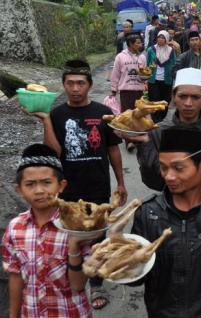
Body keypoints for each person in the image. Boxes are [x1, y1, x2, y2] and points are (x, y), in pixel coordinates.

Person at [30, 59, 127, 309]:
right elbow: (55, 152)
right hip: (68, 190)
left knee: (97, 237)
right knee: (68, 237)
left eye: (80, 83)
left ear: (89, 85)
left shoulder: (101, 113)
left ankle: (95, 285)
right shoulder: (57, 114)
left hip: (97, 187)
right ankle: (71, 281)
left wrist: (121, 182)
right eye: (70, 83)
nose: (75, 88)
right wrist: (45, 121)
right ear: (63, 85)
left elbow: (113, 149)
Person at [129, 126, 201, 318]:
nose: (169, 176)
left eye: (179, 168)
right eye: (163, 167)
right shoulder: (147, 212)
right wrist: (118, 264)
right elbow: (134, 278)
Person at [2, 144, 93, 317]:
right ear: (19, 189)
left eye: (46, 182)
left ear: (61, 185)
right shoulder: (14, 228)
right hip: (31, 312)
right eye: (30, 184)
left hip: (70, 312)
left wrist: (74, 245)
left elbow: (78, 285)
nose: (39, 191)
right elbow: (15, 276)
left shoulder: (78, 226)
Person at [134, 68, 201, 195]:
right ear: (173, 97)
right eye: (182, 96)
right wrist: (144, 144)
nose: (188, 103)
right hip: (168, 208)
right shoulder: (157, 132)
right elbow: (153, 182)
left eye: (195, 97)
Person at [111, 34, 147, 152]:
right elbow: (115, 74)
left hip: (139, 90)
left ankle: (138, 139)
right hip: (125, 90)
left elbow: (145, 75)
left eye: (140, 43)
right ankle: (129, 141)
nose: (140, 45)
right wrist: (114, 89)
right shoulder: (120, 57)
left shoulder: (142, 57)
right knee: (127, 117)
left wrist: (145, 76)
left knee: (138, 116)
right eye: (137, 43)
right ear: (131, 44)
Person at [145, 30, 176, 123]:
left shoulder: (171, 51)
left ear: (166, 39)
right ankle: (155, 120)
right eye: (159, 37)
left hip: (166, 80)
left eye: (163, 38)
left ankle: (162, 118)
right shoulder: (151, 50)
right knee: (154, 99)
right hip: (153, 80)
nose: (161, 39)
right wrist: (146, 78)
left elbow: (174, 64)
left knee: (165, 100)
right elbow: (147, 63)